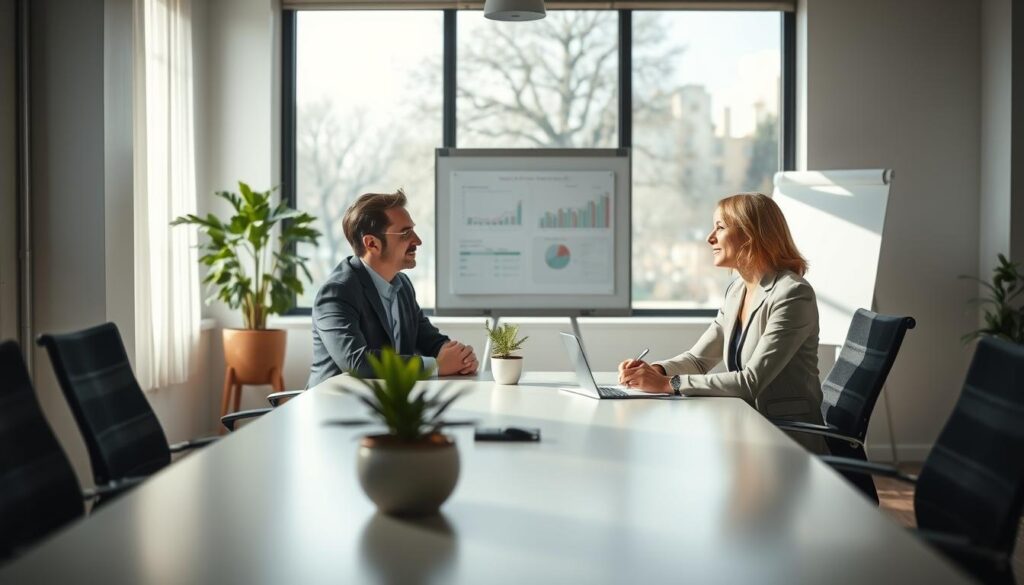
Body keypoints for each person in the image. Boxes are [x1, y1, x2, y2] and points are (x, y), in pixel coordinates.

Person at [618, 193, 827, 454]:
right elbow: (698, 360)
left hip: (786, 438)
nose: (709, 238)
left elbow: (750, 382)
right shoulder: (737, 291)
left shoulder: (792, 294)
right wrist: (655, 371)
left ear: (750, 235)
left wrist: (668, 384)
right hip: (746, 429)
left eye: (720, 227)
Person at [307, 189, 478, 387]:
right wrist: (436, 366)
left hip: (386, 406)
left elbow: (428, 339)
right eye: (406, 233)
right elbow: (356, 361)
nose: (418, 241)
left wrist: (458, 357)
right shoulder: (337, 292)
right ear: (372, 244)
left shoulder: (402, 285)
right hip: (334, 408)